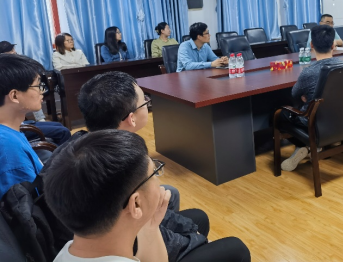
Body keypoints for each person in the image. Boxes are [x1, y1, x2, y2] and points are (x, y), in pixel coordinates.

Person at [77, 71, 251, 262]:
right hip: (141, 248)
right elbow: (153, 233)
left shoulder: (81, 150)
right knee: (237, 248)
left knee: (198, 216)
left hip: (129, 238)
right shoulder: (125, 164)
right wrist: (196, 240)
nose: (147, 104)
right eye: (145, 102)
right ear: (131, 118)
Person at [46, 130, 171, 262]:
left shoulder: (68, 253)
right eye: (154, 172)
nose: (158, 181)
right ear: (135, 203)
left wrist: (150, 228)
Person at [281, 25, 339, 172]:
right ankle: (312, 146)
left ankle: (305, 145)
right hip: (339, 118)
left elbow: (294, 95)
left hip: (314, 121)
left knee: (279, 115)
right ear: (333, 45)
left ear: (311, 45)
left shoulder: (308, 73)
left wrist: (307, 96)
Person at [0, 54, 46, 199]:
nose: (42, 91)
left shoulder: (9, 132)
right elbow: (26, 206)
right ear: (14, 96)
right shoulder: (8, 148)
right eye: (38, 85)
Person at [0, 41, 47, 122]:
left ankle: (40, 118)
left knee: (33, 94)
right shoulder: (4, 67)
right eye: (10, 50)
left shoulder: (20, 60)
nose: (14, 52)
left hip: (24, 87)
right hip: (13, 91)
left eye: (13, 49)